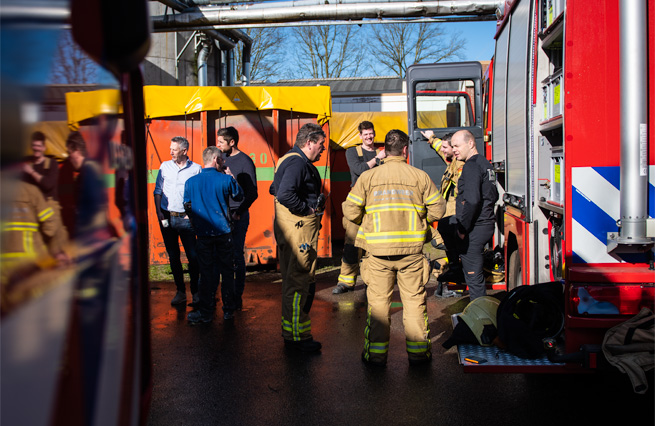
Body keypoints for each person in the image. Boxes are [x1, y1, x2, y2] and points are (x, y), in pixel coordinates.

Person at [342, 129, 445, 367]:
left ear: (384, 151)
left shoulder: (368, 178)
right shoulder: (419, 176)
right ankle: (419, 355)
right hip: (411, 255)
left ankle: (375, 357)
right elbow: (438, 211)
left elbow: (350, 211)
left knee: (378, 307)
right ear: (405, 150)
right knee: (414, 304)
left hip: (377, 255)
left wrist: (366, 221)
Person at [270, 122, 326, 353]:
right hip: (299, 230)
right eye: (321, 144)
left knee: (295, 281)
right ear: (309, 142)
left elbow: (275, 189)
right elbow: (283, 193)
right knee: (298, 282)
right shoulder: (297, 162)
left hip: (293, 229)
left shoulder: (288, 159)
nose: (323, 149)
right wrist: (308, 209)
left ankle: (296, 332)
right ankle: (296, 339)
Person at [183, 147, 243, 324]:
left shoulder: (191, 182)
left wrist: (194, 222)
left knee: (207, 274)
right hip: (224, 233)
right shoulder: (225, 180)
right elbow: (238, 196)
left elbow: (187, 205)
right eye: (222, 160)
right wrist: (232, 177)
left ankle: (206, 312)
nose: (224, 163)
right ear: (216, 160)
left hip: (203, 235)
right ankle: (228, 311)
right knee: (227, 272)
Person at [438, 130, 498, 301]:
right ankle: (456, 268)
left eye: (457, 146)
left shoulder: (471, 166)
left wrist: (463, 229)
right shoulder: (485, 163)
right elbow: (494, 195)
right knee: (444, 225)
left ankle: (481, 320)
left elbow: (472, 201)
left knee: (475, 280)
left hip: (475, 227)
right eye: (452, 146)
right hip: (484, 223)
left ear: (471, 144)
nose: (454, 150)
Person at [333, 121, 386, 294]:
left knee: (374, 244)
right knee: (352, 241)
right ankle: (346, 282)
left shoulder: (381, 153)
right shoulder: (353, 152)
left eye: (371, 133)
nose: (369, 137)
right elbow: (359, 170)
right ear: (360, 136)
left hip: (376, 202)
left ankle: (372, 282)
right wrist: (378, 159)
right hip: (356, 202)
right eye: (365, 134)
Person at [153, 136, 202, 306]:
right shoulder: (165, 167)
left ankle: (196, 293)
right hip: (167, 218)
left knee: (193, 257)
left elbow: (199, 194)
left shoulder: (196, 169)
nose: (170, 151)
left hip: (187, 220)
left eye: (174, 149)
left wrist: (193, 215)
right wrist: (159, 212)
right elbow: (157, 190)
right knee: (173, 256)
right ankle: (180, 292)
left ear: (184, 151)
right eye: (170, 148)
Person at [216, 127, 258, 310]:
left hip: (237, 215)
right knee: (221, 255)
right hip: (221, 214)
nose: (217, 145)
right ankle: (225, 292)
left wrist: (239, 211)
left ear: (232, 142)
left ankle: (236, 295)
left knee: (236, 255)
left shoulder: (245, 161)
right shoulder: (220, 159)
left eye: (220, 142)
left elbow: (253, 193)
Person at [420, 130, 464, 297]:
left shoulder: (460, 165)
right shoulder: (452, 161)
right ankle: (451, 273)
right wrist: (432, 138)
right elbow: (441, 148)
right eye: (444, 147)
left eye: (448, 147)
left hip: (456, 216)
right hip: (448, 216)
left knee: (452, 248)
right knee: (445, 244)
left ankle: (452, 276)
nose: (444, 150)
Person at [23, 131, 68, 261]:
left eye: (39, 146)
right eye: (34, 146)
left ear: (43, 147)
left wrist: (31, 172)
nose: (36, 148)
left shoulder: (52, 164)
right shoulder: (28, 167)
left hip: (51, 212)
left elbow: (48, 184)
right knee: (40, 250)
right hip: (35, 213)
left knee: (57, 248)